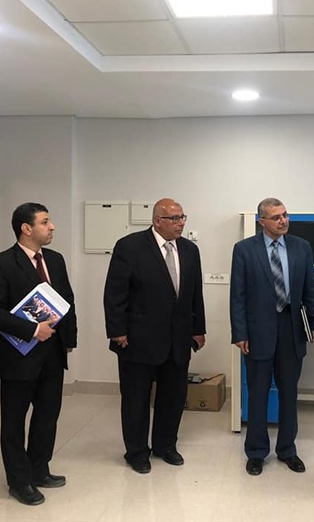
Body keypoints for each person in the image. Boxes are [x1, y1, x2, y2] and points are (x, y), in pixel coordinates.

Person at [0, 202, 78, 506]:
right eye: (45, 222)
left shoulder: (55, 260)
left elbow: (67, 300)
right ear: (26, 228)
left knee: (47, 416)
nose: (52, 227)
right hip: (17, 355)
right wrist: (33, 329)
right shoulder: (1, 263)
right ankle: (19, 481)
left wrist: (69, 339)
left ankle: (39, 469)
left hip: (52, 354)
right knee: (14, 422)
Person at [103, 198, 206, 474]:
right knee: (136, 399)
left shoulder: (190, 250)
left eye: (183, 217)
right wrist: (117, 331)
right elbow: (115, 293)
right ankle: (137, 452)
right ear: (157, 220)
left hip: (178, 338)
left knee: (173, 396)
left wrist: (198, 329)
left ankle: (165, 446)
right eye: (175, 218)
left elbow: (195, 293)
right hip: (138, 339)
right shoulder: (130, 247)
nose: (181, 223)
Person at [230, 198, 314, 476]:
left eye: (285, 215)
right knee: (257, 393)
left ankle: (287, 450)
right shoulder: (244, 250)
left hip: (291, 329)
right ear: (262, 222)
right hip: (257, 330)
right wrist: (240, 332)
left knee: (289, 393)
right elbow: (238, 295)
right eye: (276, 217)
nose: (283, 221)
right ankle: (256, 452)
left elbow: (309, 288)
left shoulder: (301, 247)